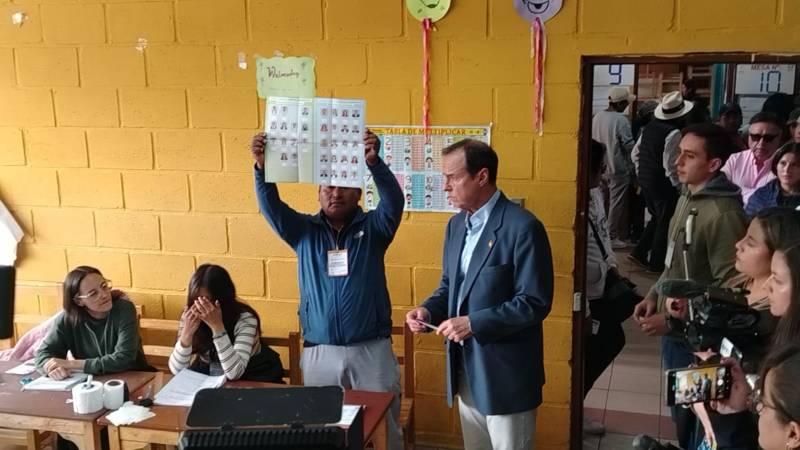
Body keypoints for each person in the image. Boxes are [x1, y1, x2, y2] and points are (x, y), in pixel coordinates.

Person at [251, 130, 405, 450]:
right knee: (323, 428)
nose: (336, 193)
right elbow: (271, 207)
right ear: (319, 192)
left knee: (383, 427)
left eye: (345, 187)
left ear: (359, 194)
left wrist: (375, 164)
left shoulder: (376, 229)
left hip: (371, 350)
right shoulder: (302, 232)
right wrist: (262, 169)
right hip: (319, 350)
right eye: (329, 186)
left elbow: (394, 202)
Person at [405, 139, 554, 450]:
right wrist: (428, 311)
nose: (445, 186)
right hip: (466, 370)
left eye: (453, 177)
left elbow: (534, 302)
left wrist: (473, 323)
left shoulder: (523, 227)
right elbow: (450, 287)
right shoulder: (456, 226)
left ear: (482, 176)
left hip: (506, 376)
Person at [633, 123, 747, 449]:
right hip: (678, 335)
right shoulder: (687, 196)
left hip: (702, 340)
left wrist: (672, 319)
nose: (677, 162)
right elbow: (673, 262)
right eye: (679, 152)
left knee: (702, 420)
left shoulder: (723, 214)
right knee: (682, 410)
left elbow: (735, 293)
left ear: (714, 164)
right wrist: (655, 294)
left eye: (689, 155)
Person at [168, 264, 283, 382]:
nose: (200, 307)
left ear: (222, 300)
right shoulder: (189, 315)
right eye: (196, 300)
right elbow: (177, 371)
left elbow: (234, 373)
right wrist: (186, 335)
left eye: (207, 301)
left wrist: (217, 328)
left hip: (251, 374)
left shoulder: (245, 319)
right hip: (211, 375)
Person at [582, 140, 628, 436]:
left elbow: (602, 233)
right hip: (585, 296)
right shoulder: (573, 198)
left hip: (602, 284)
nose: (603, 174)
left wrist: (612, 265)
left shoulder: (595, 194)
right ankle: (577, 407)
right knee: (602, 344)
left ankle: (578, 405)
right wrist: (583, 309)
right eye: (599, 169)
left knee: (610, 340)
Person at [35, 266, 152, 379]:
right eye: (93, 293)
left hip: (132, 378)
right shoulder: (67, 319)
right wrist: (52, 368)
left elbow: (124, 359)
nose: (104, 295)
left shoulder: (123, 309)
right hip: (90, 382)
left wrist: (71, 364)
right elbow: (43, 355)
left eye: (104, 286)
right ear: (79, 301)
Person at [629, 91, 694, 272]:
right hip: (661, 182)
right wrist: (678, 186)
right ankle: (656, 263)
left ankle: (639, 252)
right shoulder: (673, 133)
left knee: (656, 217)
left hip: (646, 179)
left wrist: (642, 172)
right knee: (664, 221)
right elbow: (670, 164)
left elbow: (635, 153)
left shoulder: (649, 127)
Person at [592, 86, 636, 248]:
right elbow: (629, 146)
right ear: (620, 103)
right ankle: (611, 236)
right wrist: (633, 168)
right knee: (616, 204)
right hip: (617, 169)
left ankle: (602, 234)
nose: (626, 106)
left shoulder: (597, 117)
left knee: (602, 202)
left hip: (600, 169)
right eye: (625, 103)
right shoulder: (621, 120)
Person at [722, 112, 785, 205]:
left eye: (768, 138)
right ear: (748, 136)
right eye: (755, 137)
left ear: (779, 137)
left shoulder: (786, 164)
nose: (761, 144)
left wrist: (738, 192)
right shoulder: (735, 159)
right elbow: (720, 190)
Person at [745, 143, 800, 217]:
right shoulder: (761, 196)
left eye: (794, 165)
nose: (787, 170)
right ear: (776, 165)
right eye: (783, 163)